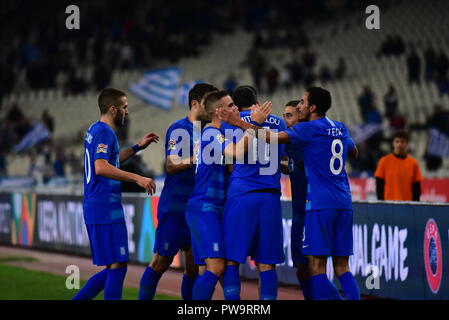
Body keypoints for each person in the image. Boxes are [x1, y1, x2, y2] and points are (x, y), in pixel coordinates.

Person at [219, 86, 360, 300]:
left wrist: (237, 122)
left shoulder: (304, 130)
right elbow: (354, 150)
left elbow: (266, 140)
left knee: (315, 266)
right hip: (341, 200)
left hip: (314, 203)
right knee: (341, 267)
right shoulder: (339, 127)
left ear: (312, 107)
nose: (299, 105)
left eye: (302, 102)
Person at [73, 88, 158, 300]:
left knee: (115, 267)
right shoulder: (105, 132)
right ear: (113, 109)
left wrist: (138, 147)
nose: (127, 112)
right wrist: (138, 178)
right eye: (124, 107)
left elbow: (111, 160)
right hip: (104, 206)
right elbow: (101, 167)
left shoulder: (95, 129)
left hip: (99, 205)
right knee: (118, 267)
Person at [186, 90, 270, 300]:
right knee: (216, 266)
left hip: (212, 207)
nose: (235, 109)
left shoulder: (216, 134)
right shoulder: (211, 134)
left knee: (212, 268)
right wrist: (255, 124)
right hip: (205, 207)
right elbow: (237, 153)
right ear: (219, 111)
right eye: (231, 105)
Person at [138, 83, 218, 300]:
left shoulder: (214, 131)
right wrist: (196, 157)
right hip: (175, 209)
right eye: (209, 103)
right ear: (194, 103)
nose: (213, 108)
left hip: (200, 210)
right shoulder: (179, 129)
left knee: (193, 268)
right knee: (159, 263)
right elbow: (171, 165)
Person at [221, 85, 286, 300]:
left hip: (242, 193)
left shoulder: (229, 123)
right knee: (266, 263)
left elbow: (229, 159)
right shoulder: (279, 122)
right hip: (270, 195)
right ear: (256, 101)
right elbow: (283, 158)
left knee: (232, 259)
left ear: (236, 105)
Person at [281, 100, 313, 300]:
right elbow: (291, 165)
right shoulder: (290, 144)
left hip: (312, 214)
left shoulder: (309, 142)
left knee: (314, 269)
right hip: (298, 215)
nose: (286, 120)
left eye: (290, 115)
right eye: (284, 115)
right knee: (301, 270)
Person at [374, 130, 423, 201]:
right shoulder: (384, 161)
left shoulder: (413, 163)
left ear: (407, 144)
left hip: (407, 205)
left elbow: (416, 189)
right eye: (397, 141)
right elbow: (379, 185)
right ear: (393, 143)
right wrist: (382, 203)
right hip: (389, 204)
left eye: (403, 141)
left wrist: (414, 206)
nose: (399, 144)